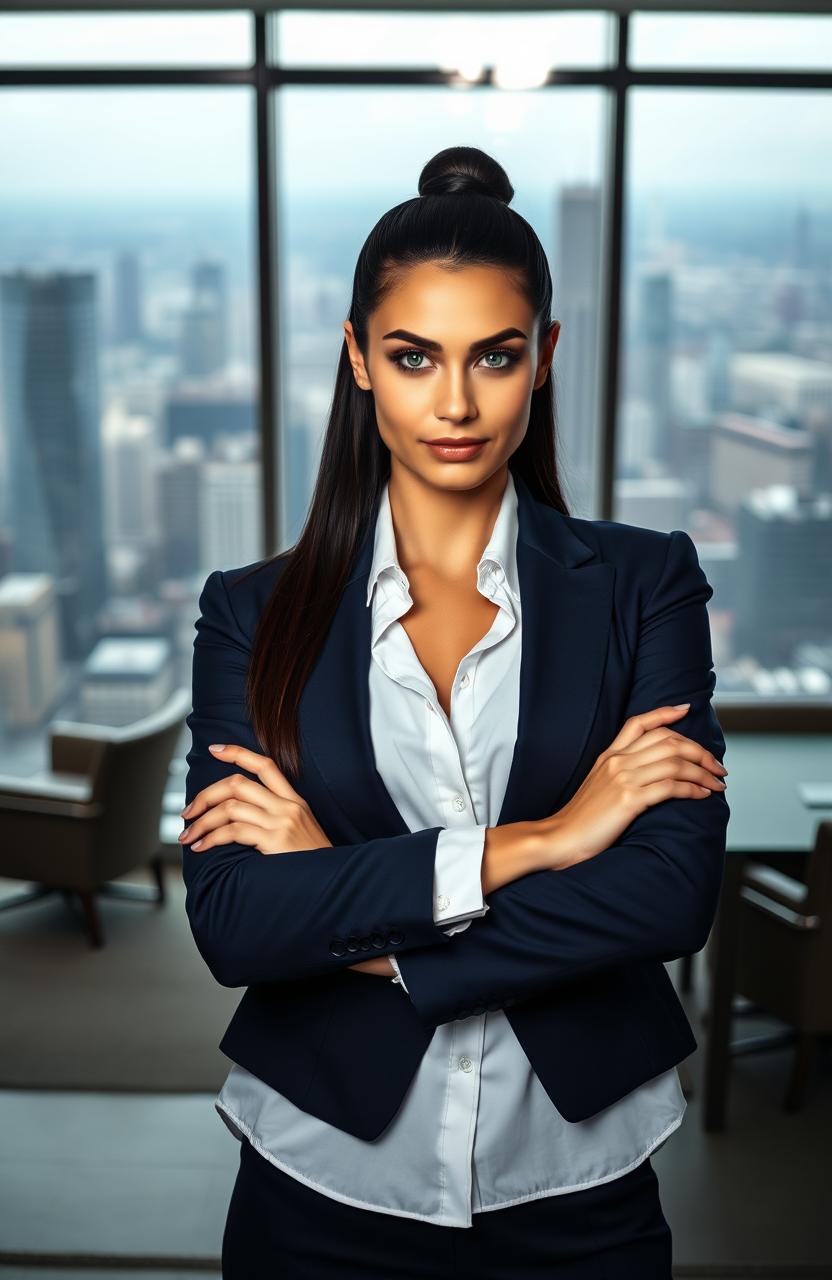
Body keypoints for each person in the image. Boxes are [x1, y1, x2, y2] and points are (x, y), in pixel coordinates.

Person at [180, 145, 730, 1278]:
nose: (458, 402)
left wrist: (364, 928)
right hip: (321, 1172)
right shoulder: (250, 613)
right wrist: (542, 842)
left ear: (544, 359)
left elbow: (666, 897)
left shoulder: (646, 583)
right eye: (414, 355)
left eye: (496, 355)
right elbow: (236, 920)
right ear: (357, 359)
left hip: (577, 1179)